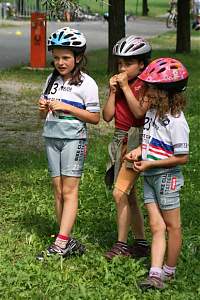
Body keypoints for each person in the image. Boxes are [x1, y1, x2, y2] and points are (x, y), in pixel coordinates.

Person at [125, 57, 189, 289]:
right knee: (156, 226)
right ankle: (155, 273)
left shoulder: (177, 121)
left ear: (168, 92)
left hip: (166, 177)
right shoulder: (152, 113)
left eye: (152, 88)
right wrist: (138, 150)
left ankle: (169, 271)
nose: (147, 92)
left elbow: (182, 157)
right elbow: (152, 142)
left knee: (172, 226)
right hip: (150, 177)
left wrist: (151, 164)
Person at [37, 27, 100, 260]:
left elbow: (95, 118)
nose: (60, 62)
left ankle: (60, 244)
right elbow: (43, 117)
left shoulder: (87, 83)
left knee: (69, 190)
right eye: (56, 58)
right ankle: (65, 238)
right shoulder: (50, 79)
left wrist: (68, 107)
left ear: (78, 58)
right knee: (57, 191)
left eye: (65, 58)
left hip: (74, 139)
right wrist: (43, 109)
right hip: (51, 136)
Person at [103, 36, 152, 260]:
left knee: (119, 193)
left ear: (142, 63)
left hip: (136, 140)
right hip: (119, 138)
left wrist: (125, 87)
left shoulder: (146, 84)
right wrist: (113, 91)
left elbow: (139, 113)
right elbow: (107, 116)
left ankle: (121, 244)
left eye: (128, 63)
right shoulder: (119, 86)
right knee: (129, 195)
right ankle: (141, 243)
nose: (122, 68)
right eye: (120, 63)